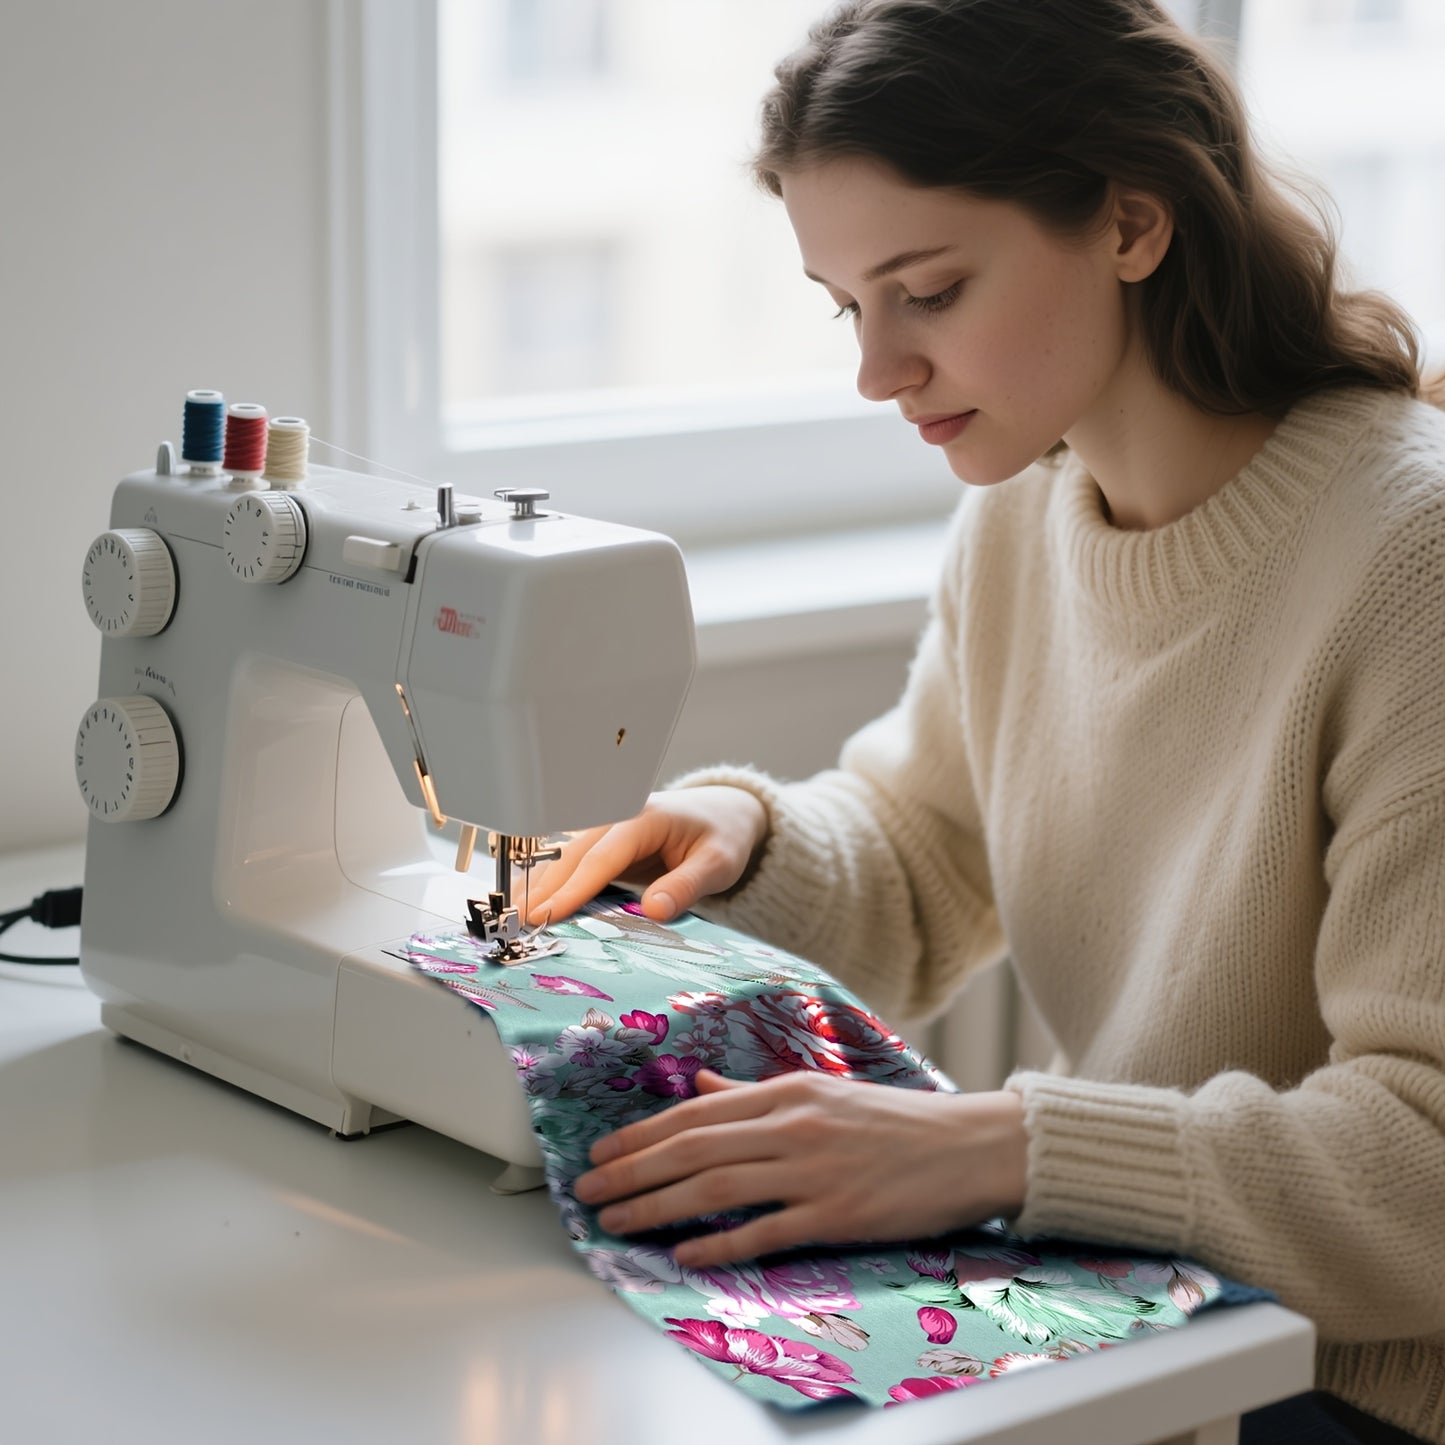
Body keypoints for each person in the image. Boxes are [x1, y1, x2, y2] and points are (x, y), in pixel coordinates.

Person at [524, 2, 1445, 1440]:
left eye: (931, 291)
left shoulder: (1413, 560)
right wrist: (738, 839)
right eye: (848, 306)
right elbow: (921, 848)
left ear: (1132, 223)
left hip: (1341, 1386)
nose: (875, 370)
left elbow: (1424, 1165)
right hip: (1144, 1313)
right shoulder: (1029, 505)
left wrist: (991, 1146)